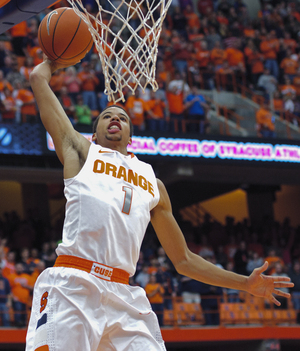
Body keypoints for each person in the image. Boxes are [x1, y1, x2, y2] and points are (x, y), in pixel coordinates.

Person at [26, 56, 293, 351]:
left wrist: (244, 284)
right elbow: (38, 79)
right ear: (94, 133)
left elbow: (184, 260)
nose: (115, 118)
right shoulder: (81, 152)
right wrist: (53, 61)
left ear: (131, 137)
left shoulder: (153, 182)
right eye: (106, 116)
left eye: (122, 117)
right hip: (73, 283)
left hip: (123, 295)